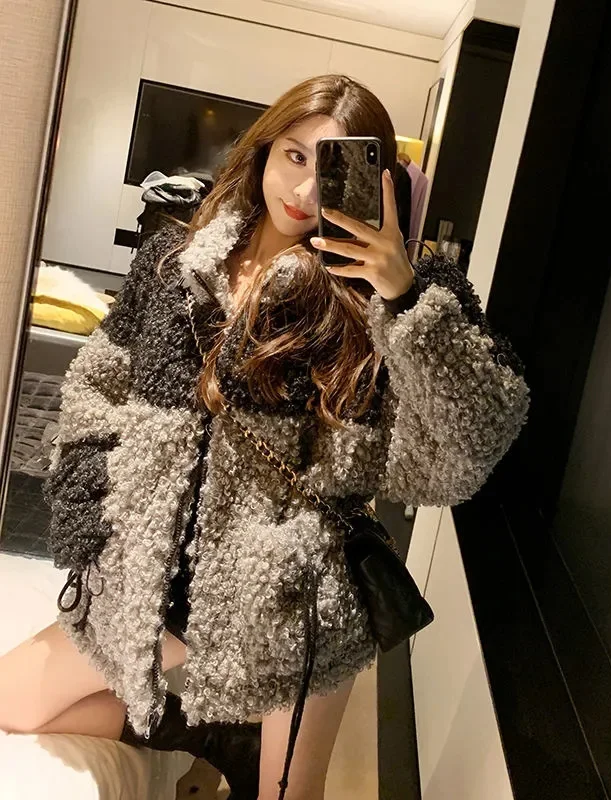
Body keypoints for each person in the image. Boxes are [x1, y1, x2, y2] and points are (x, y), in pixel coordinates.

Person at [0, 74, 530, 799]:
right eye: (294, 156)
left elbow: (470, 447)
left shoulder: (384, 298)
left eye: (332, 168)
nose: (306, 191)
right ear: (263, 152)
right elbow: (99, 384)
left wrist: (405, 298)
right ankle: (212, 739)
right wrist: (91, 512)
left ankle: (250, 754)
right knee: (13, 699)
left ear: (375, 184)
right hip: (154, 576)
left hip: (297, 597)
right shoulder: (175, 261)